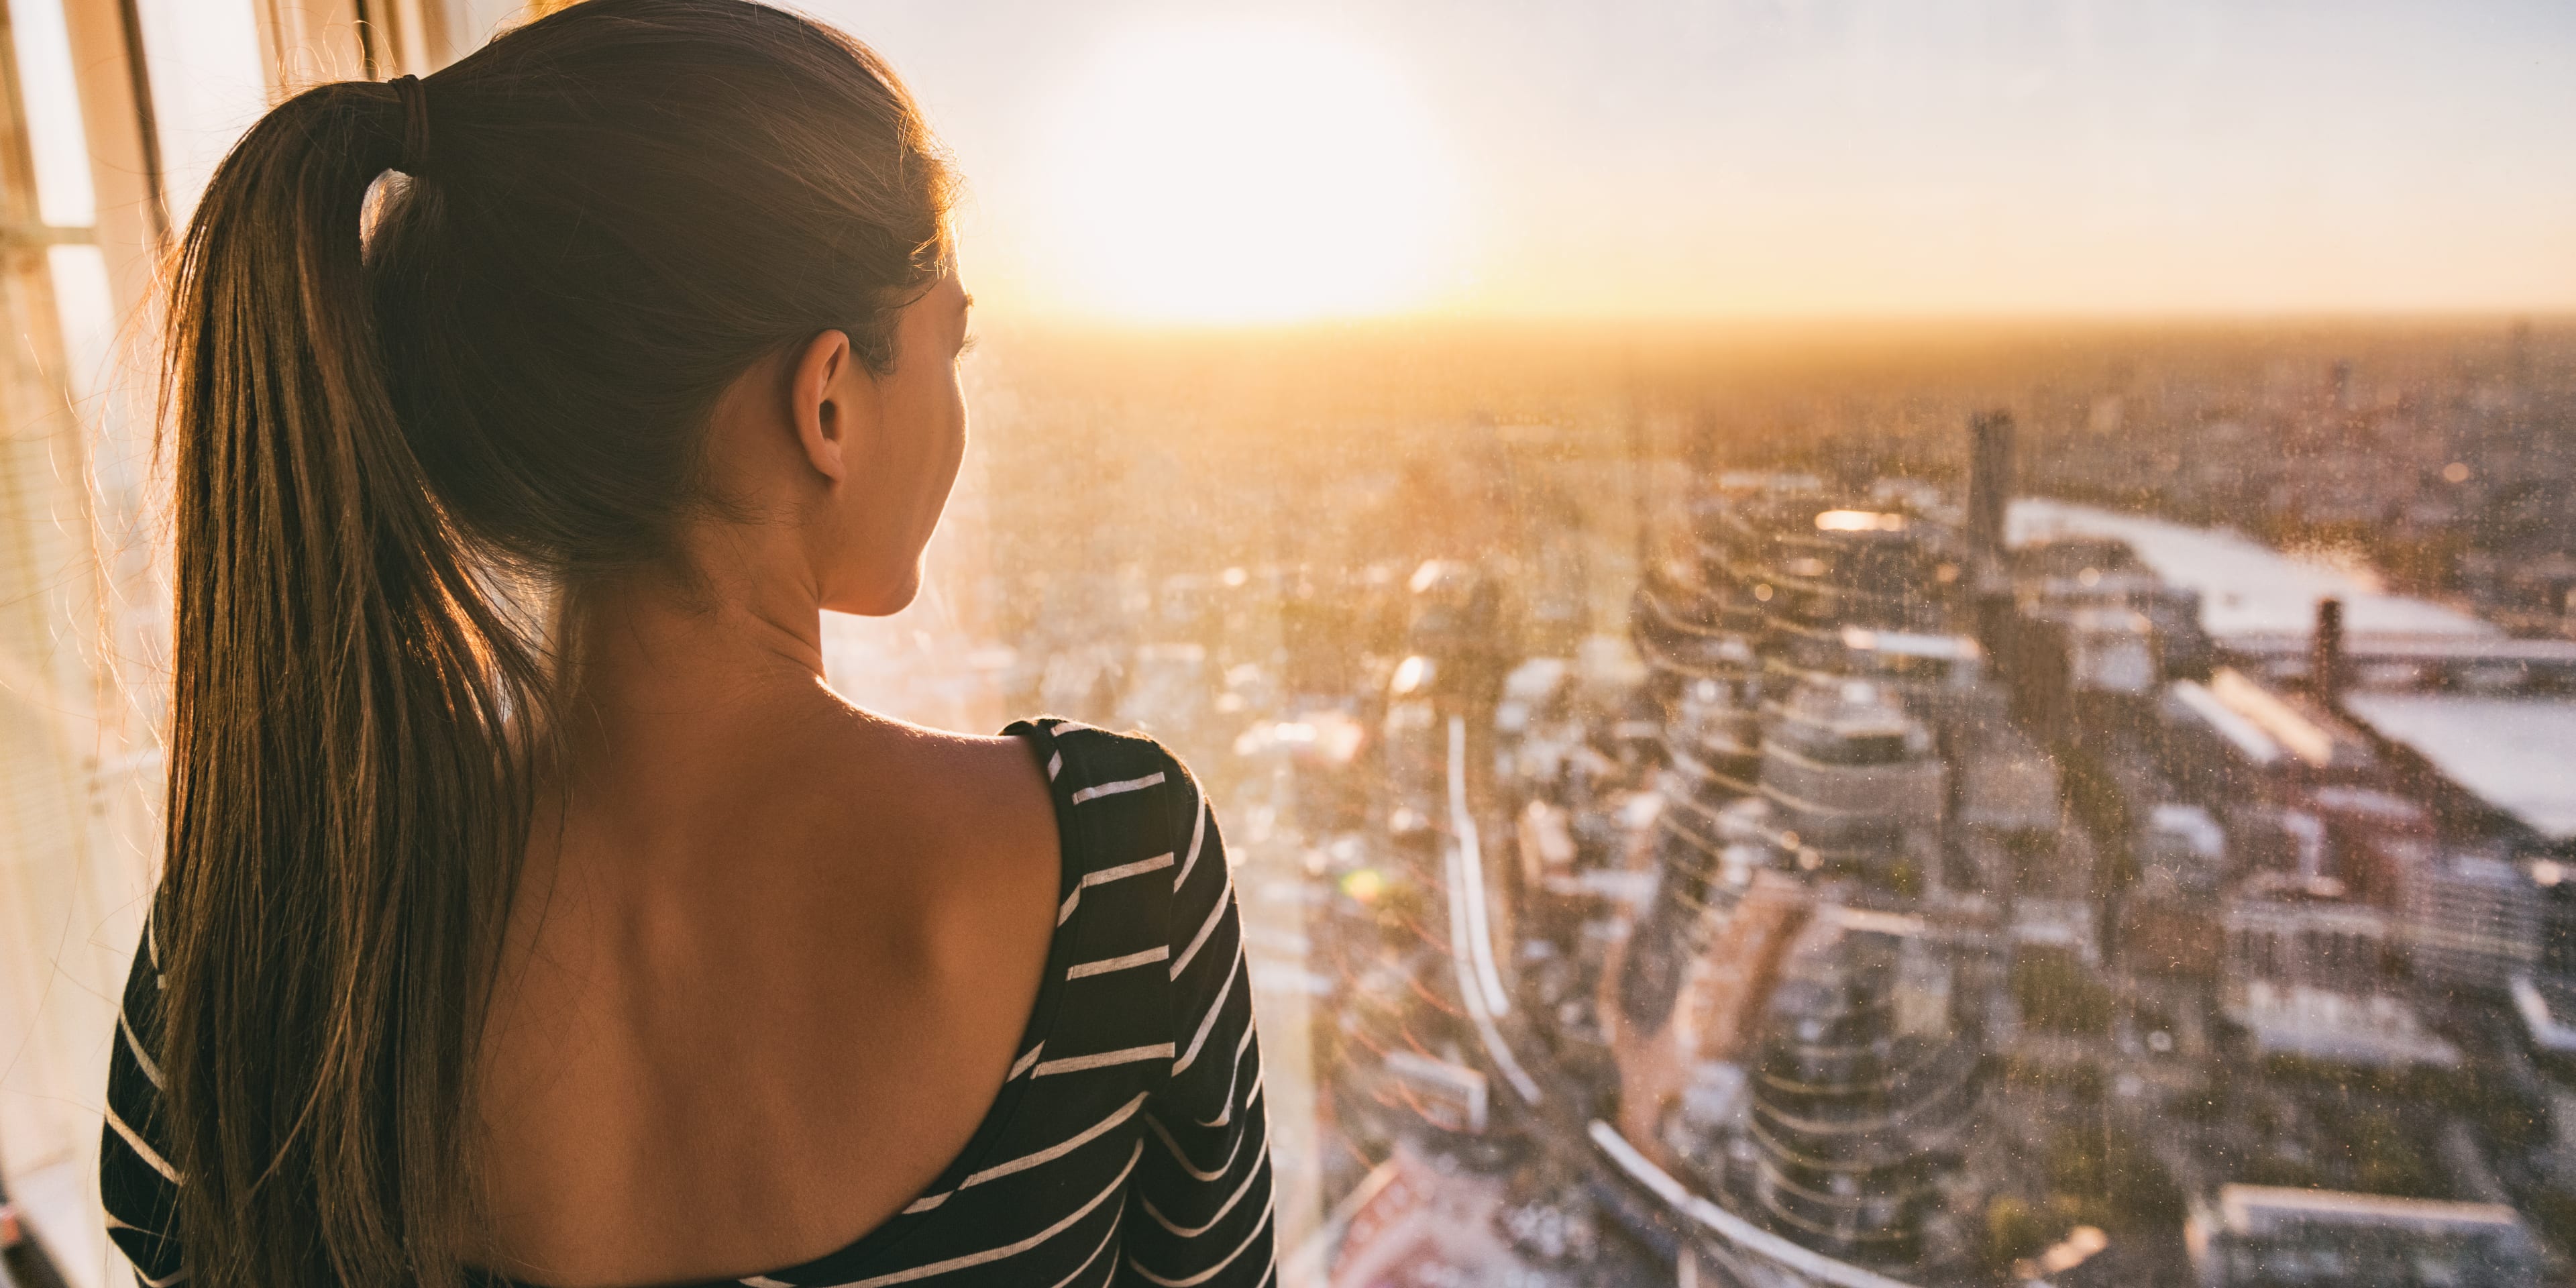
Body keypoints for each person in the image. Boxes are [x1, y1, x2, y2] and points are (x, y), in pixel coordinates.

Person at [97, 3, 1274, 1285]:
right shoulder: (1107, 883)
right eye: (953, 343)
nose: (958, 400)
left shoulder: (249, 946)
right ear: (826, 399)